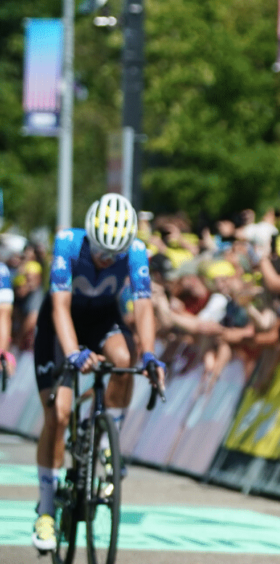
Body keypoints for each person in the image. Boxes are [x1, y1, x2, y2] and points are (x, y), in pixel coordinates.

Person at [31, 194, 165, 552]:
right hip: (60, 326)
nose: (106, 260)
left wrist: (151, 355)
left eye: (114, 254)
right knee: (57, 415)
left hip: (102, 320)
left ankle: (106, 446)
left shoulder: (135, 250)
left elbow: (145, 308)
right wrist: (73, 354)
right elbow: (60, 307)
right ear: (89, 236)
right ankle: (45, 509)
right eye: (101, 252)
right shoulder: (67, 243)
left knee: (126, 360)